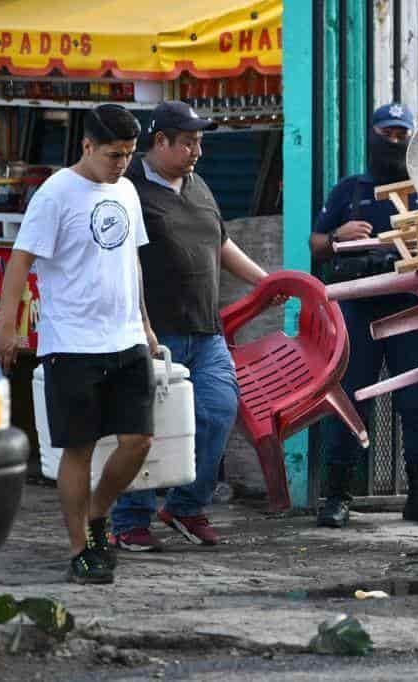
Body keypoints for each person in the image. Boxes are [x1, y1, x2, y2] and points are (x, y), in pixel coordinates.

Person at [0, 104, 158, 584]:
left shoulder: (127, 189)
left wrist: (146, 324)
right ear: (87, 146)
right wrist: (8, 326)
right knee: (79, 449)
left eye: (129, 154)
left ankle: (98, 514)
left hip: (126, 339)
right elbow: (20, 260)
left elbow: (133, 262)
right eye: (113, 154)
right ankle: (79, 548)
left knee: (138, 441)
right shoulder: (55, 194)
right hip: (71, 343)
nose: (122, 163)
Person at [110, 101, 275, 551]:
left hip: (206, 331)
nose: (196, 151)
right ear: (159, 141)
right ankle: (129, 519)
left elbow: (221, 243)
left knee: (218, 411)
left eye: (199, 142)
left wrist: (266, 282)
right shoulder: (127, 190)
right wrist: (137, 326)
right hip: (151, 334)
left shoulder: (199, 186)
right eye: (187, 143)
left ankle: (185, 505)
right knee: (146, 428)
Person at [310, 103, 418, 529]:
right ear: (372, 134)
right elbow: (315, 245)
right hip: (359, 309)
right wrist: (338, 236)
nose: (394, 140)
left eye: (401, 133)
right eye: (386, 132)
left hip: (414, 309)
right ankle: (337, 498)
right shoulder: (349, 190)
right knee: (349, 403)